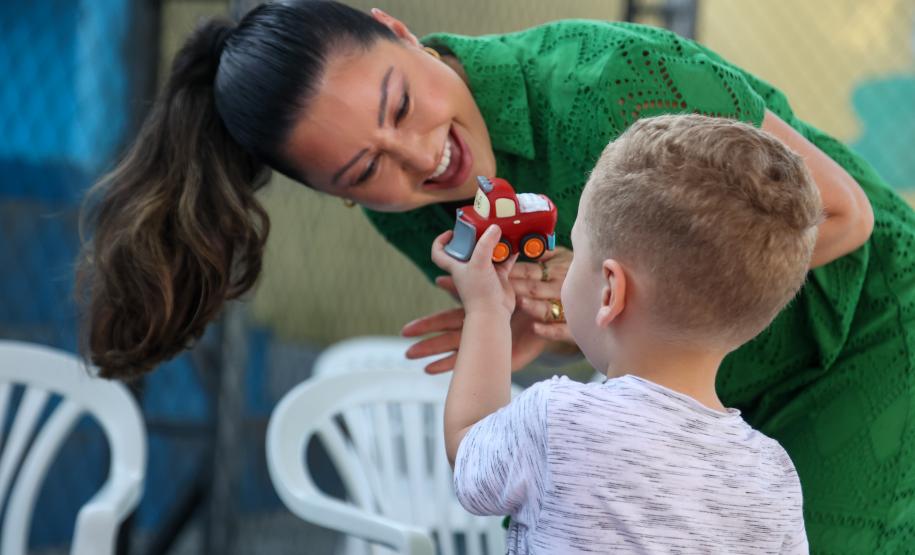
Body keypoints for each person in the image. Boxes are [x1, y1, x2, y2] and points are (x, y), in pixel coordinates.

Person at [76, 1, 914, 551]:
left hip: (872, 322)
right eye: (365, 170)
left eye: (399, 106)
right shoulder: (405, 210)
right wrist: (531, 334)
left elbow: (843, 217)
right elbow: (594, 337)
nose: (420, 159)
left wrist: (618, 303)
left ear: (396, 29)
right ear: (338, 196)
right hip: (721, 391)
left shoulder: (607, 79)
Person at [431, 113, 814, 554]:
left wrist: (487, 308)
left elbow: (468, 449)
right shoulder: (773, 476)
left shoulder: (557, 420)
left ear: (611, 290)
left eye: (577, 252)